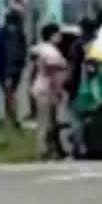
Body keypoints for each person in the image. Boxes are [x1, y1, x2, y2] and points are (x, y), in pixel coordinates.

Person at [30, 23, 68, 161]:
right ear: (52, 35)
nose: (60, 37)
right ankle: (43, 151)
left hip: (41, 88)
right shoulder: (50, 52)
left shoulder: (41, 49)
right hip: (46, 90)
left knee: (49, 122)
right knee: (45, 123)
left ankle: (50, 150)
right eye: (58, 34)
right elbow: (53, 74)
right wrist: (58, 91)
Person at [65, 17, 96, 156]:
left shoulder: (77, 45)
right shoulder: (100, 43)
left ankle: (80, 146)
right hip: (97, 86)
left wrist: (68, 84)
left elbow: (72, 67)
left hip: (78, 86)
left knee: (76, 117)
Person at [0, 9, 27, 130]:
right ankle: (11, 119)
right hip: (16, 69)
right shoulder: (20, 33)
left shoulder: (5, 33)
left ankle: (13, 119)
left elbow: (1, 51)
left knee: (9, 93)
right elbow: (23, 53)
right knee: (10, 93)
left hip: (7, 69)